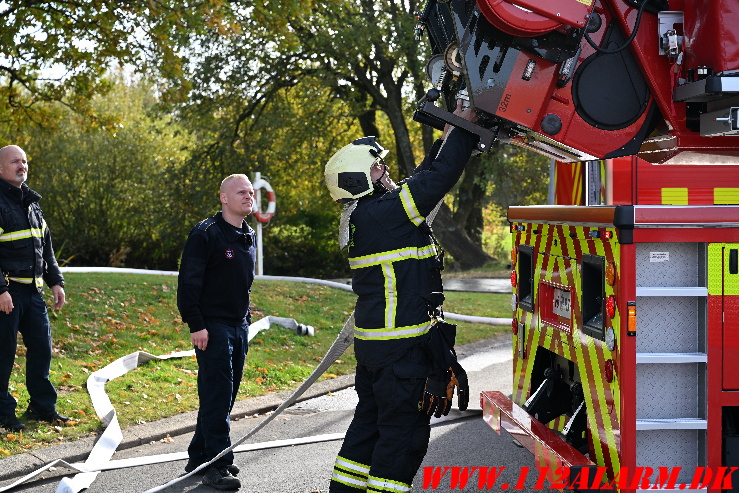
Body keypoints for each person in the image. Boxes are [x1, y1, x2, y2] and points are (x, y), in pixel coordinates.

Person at [323, 102, 479, 492]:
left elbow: (424, 177)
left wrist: (449, 134)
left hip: (381, 351)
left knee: (370, 429)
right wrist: (464, 127)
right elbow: (438, 179)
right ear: (359, 180)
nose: (386, 171)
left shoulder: (372, 214)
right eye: (377, 167)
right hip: (402, 352)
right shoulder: (386, 214)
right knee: (403, 439)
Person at [177, 174, 257, 491]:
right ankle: (218, 466)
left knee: (224, 396)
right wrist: (196, 324)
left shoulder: (247, 235)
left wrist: (246, 319)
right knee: (217, 394)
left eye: (251, 192)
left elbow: (242, 284)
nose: (249, 196)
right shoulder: (206, 234)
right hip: (212, 327)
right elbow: (188, 284)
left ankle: (200, 456)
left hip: (239, 325)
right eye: (241, 192)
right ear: (224, 198)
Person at [0, 145, 69, 433]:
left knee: (42, 349)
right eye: (15, 161)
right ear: (1, 168)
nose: (22, 166)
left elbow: (46, 247)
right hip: (7, 293)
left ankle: (42, 407)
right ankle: (3, 414)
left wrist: (56, 281)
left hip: (33, 294)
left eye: (25, 161)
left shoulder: (31, 203)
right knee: (3, 355)